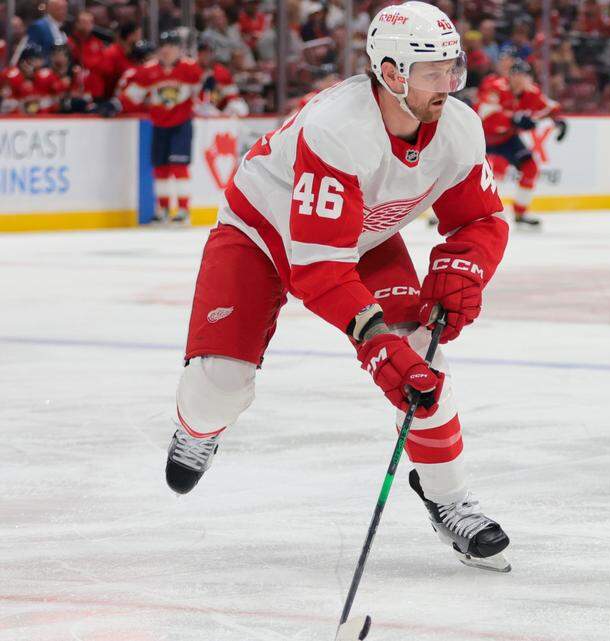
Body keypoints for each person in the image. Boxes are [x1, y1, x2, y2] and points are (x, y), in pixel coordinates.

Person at [163, 1, 512, 572]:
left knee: (424, 355)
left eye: (453, 68)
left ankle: (448, 500)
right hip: (260, 235)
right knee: (218, 384)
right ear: (392, 72)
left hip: (362, 240)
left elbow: (480, 220)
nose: (448, 84)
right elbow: (318, 269)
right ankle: (195, 427)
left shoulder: (460, 129)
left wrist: (464, 266)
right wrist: (373, 343)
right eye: (433, 72)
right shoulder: (338, 128)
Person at [121, 31, 203, 224]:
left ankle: (183, 210)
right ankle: (164, 209)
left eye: (172, 46)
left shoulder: (190, 69)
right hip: (159, 124)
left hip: (181, 124)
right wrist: (119, 103)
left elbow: (202, 93)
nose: (167, 51)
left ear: (179, 50)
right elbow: (133, 96)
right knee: (161, 168)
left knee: (179, 166)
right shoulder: (148, 71)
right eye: (164, 47)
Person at [475, 57, 564, 228]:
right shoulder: (495, 87)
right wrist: (514, 119)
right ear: (510, 75)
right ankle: (443, 212)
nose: (521, 79)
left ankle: (520, 213)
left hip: (507, 138)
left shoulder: (531, 92)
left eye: (525, 75)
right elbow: (486, 115)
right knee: (476, 174)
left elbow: (549, 107)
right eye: (518, 74)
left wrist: (558, 120)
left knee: (530, 167)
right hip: (481, 136)